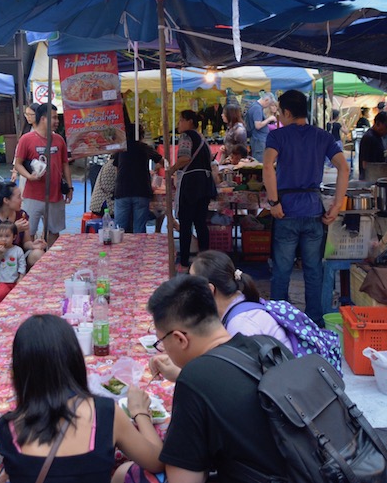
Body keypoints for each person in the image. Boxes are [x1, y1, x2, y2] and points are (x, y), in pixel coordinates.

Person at [145, 274, 287, 481]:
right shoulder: (265, 345)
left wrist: (141, 415)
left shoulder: (195, 380)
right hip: (311, 471)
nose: (163, 349)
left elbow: (183, 480)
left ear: (179, 338)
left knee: (131, 473)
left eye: (161, 342)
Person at [0, 314, 164, 483]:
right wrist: (141, 413)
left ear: (19, 370)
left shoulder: (8, 427)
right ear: (75, 360)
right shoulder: (105, 413)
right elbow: (157, 462)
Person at [263, 90, 349, 327]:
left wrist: (273, 202)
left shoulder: (277, 137)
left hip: (286, 211)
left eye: (280, 112)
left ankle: (279, 321)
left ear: (287, 112)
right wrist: (337, 204)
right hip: (313, 210)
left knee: (282, 270)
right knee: (313, 271)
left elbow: (268, 166)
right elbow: (344, 168)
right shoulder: (323, 136)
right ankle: (315, 322)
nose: (279, 116)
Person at [149, 251, 291, 382]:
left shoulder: (241, 326)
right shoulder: (239, 303)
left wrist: (184, 375)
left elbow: (238, 382)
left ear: (210, 290)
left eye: (191, 285)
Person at [0, 182, 46, 319]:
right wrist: (12, 229)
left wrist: (34, 245)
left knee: (38, 254)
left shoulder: (22, 215)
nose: (22, 200)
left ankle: (32, 292)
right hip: (0, 259)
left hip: (19, 256)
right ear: (6, 200)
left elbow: (26, 242)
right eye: (18, 197)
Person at [14, 102, 72, 246]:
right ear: (43, 118)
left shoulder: (59, 140)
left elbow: (65, 164)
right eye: (53, 118)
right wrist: (29, 177)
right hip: (32, 195)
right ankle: (31, 263)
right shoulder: (26, 139)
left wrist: (69, 187)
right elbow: (18, 164)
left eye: (57, 118)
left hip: (55, 195)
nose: (57, 121)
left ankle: (51, 262)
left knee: (54, 232)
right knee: (29, 232)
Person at [168, 110, 216, 271]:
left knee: (186, 223)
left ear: (189, 122)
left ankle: (184, 261)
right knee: (201, 223)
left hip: (191, 184)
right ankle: (205, 258)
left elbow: (184, 158)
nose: (178, 124)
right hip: (205, 183)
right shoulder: (202, 139)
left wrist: (171, 170)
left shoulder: (186, 136)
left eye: (181, 120)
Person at [113, 124, 163, 233]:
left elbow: (117, 168)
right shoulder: (144, 148)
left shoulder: (120, 148)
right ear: (141, 135)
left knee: (119, 229)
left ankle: (119, 249)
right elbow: (162, 161)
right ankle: (139, 249)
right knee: (139, 228)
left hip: (122, 190)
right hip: (141, 191)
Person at [0, 221, 26, 308]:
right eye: (0, 236)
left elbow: (22, 264)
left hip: (15, 280)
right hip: (3, 281)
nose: (3, 239)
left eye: (7, 236)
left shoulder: (18, 250)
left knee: (20, 294)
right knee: (3, 293)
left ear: (14, 237)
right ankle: (3, 308)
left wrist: (21, 277)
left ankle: (17, 308)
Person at [358, 111, 387, 180]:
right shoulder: (369, 137)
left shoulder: (378, 137)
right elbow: (365, 163)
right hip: (370, 179)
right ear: (378, 123)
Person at [244, 92, 277, 161]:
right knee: (260, 163)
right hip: (258, 141)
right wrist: (269, 119)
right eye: (269, 104)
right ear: (266, 100)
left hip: (258, 140)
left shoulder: (254, 106)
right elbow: (258, 125)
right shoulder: (257, 108)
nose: (268, 106)